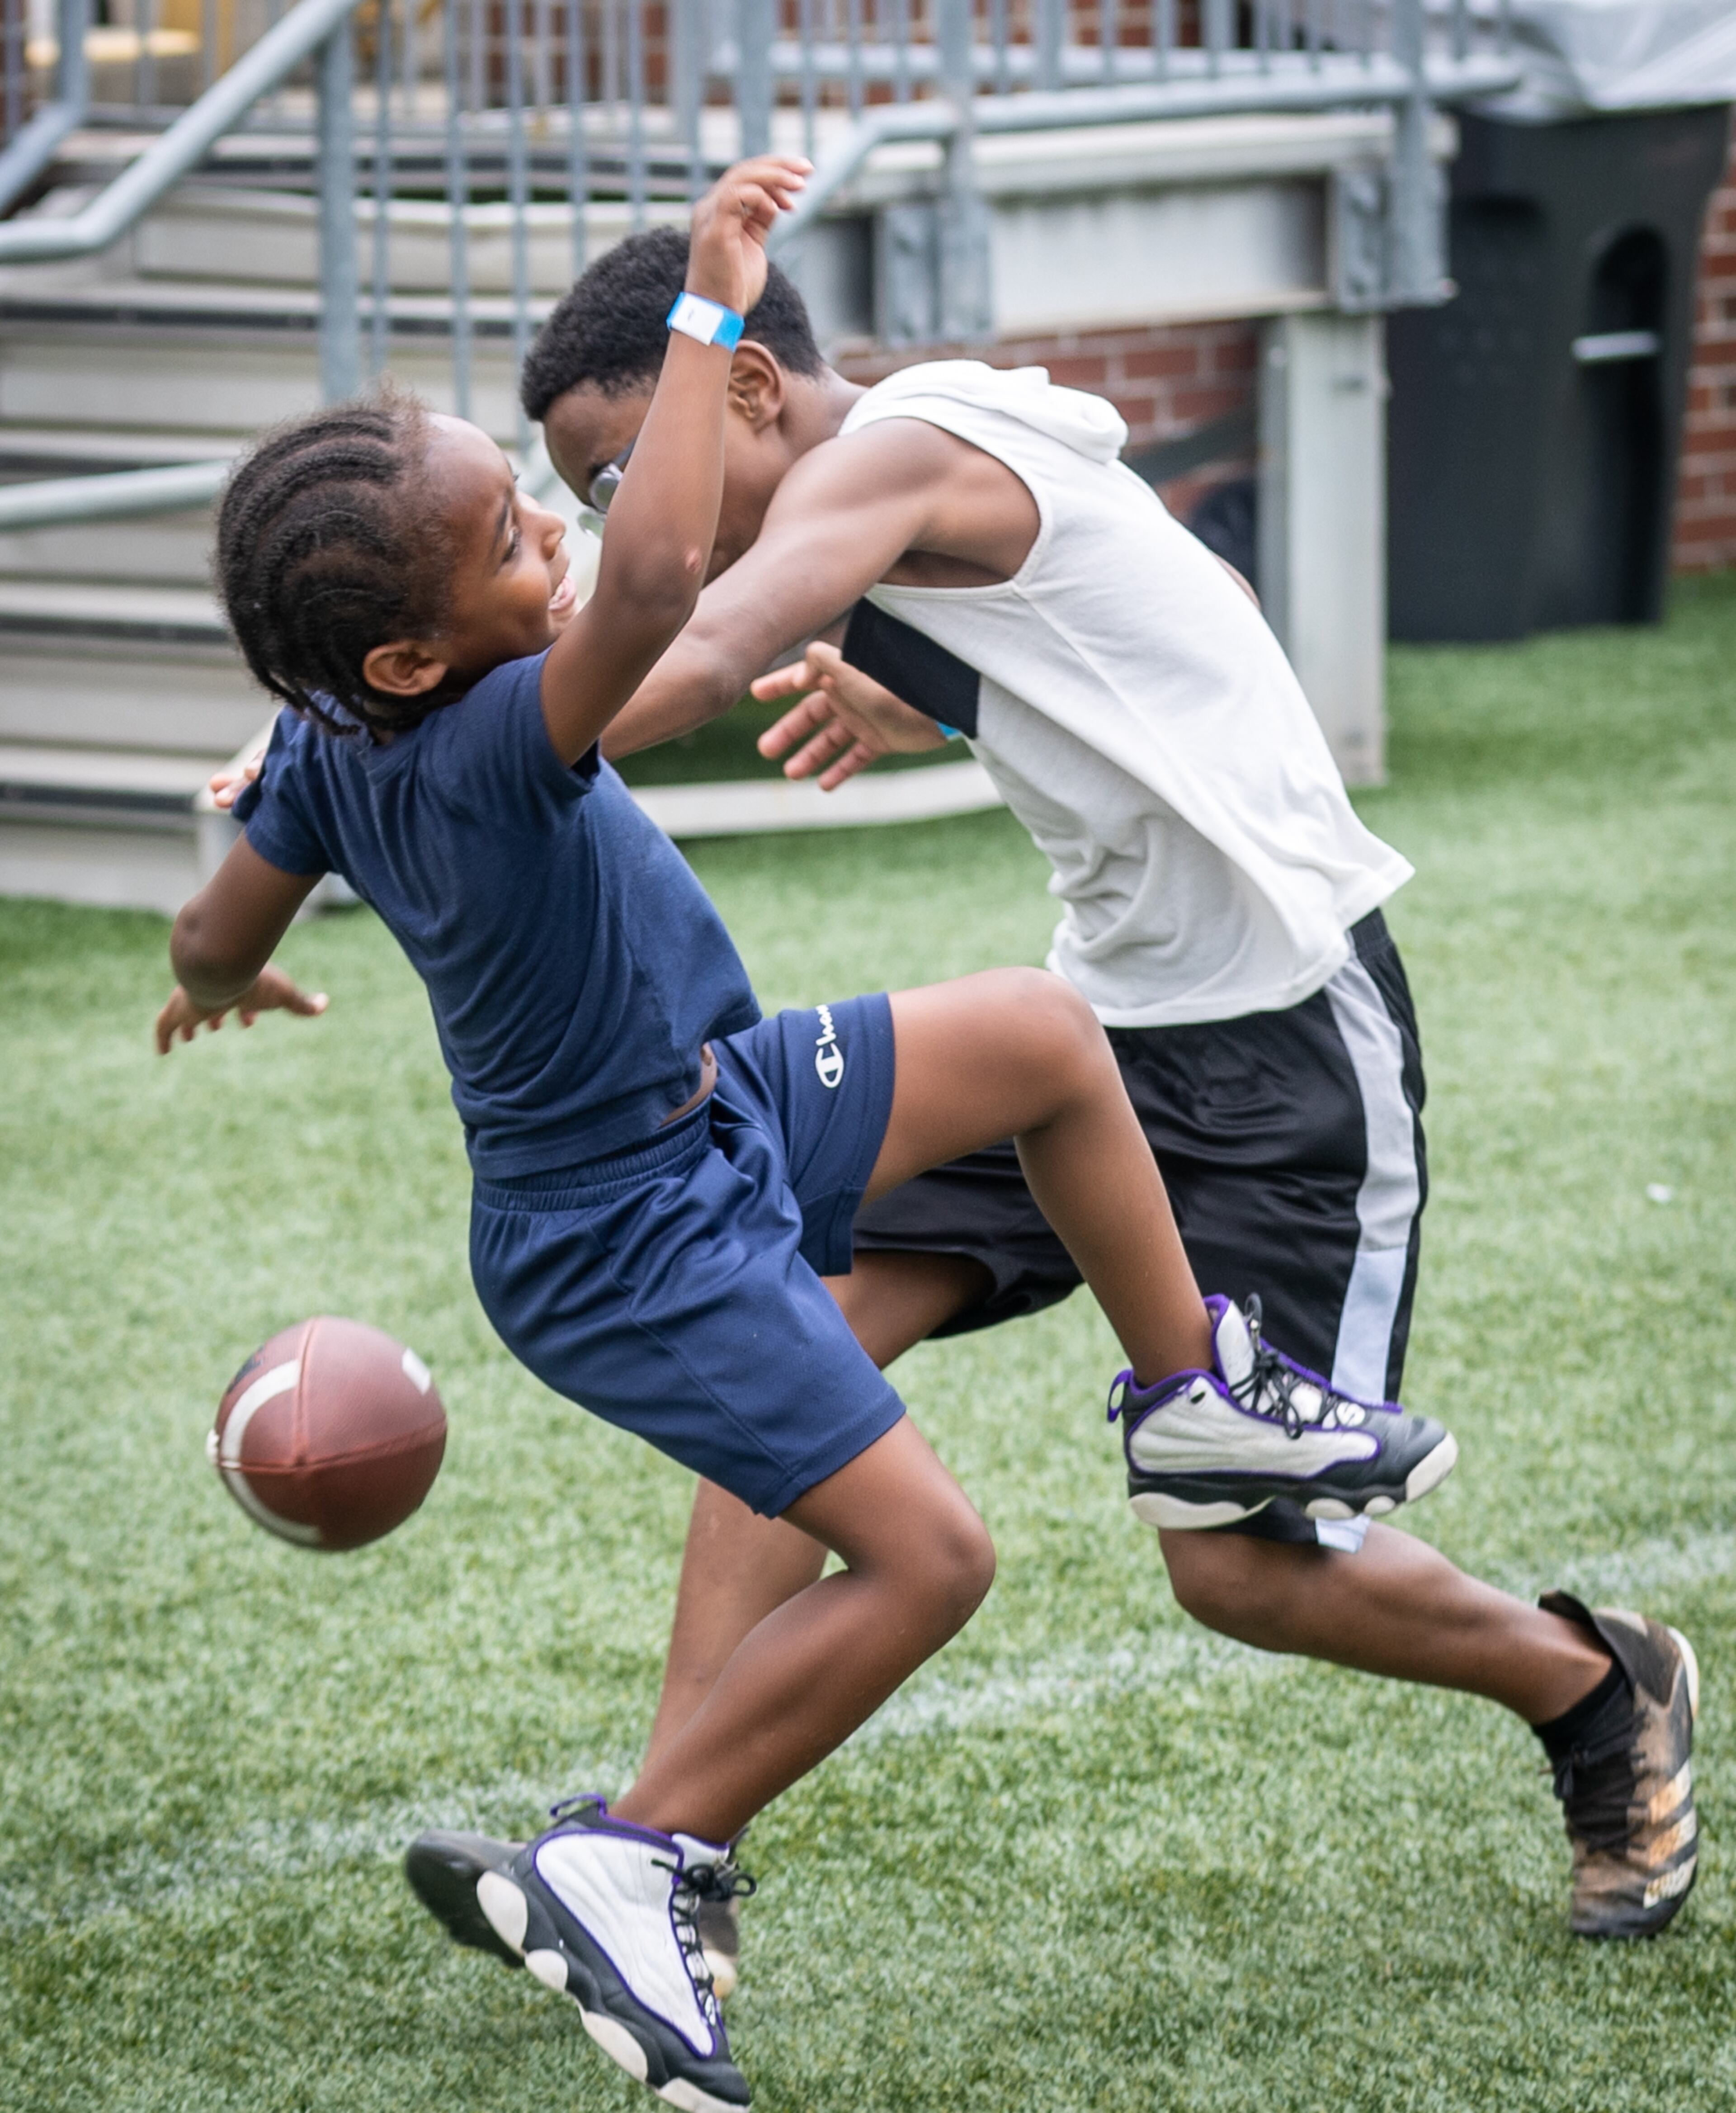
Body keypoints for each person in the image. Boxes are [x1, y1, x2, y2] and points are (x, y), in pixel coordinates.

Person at [155, 161, 1454, 2113]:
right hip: (632, 1227)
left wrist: (226, 969)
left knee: (1038, 1034)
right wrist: (706, 304)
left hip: (716, 1101)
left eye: (547, 506)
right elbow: (670, 583)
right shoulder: (512, 736)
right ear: (418, 658)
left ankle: (1195, 1388)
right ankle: (637, 1845)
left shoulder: (340, 751)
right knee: (932, 1560)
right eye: (519, 536)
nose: (561, 547)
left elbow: (208, 919)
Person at [393, 225, 1698, 1972]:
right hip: (1099, 1025)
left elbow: (683, 664)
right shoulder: (910, 478)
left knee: (1239, 1568)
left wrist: (399, 746)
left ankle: (1601, 1691)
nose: (625, 517)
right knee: (795, 1370)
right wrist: (968, 685)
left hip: (1285, 1040)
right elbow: (1196, 602)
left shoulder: (899, 454)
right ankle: (648, 1860)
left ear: (750, 387)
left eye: (622, 471)